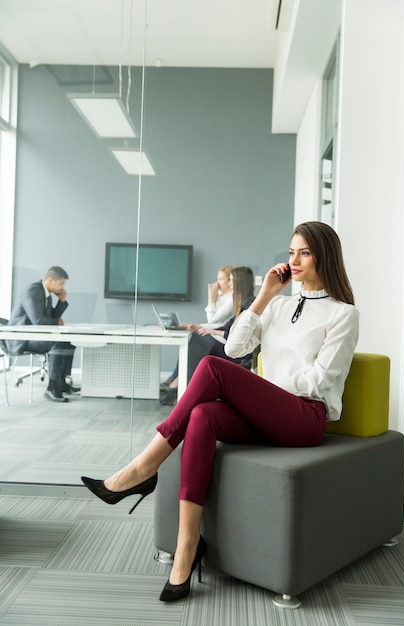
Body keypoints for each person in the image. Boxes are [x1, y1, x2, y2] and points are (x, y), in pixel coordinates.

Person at [81, 221, 359, 603]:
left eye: (304, 253)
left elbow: (320, 381)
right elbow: (235, 347)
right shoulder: (278, 304)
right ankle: (187, 547)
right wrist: (262, 298)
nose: (294, 260)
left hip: (304, 419)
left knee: (211, 370)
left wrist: (264, 393)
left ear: (323, 256)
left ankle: (143, 469)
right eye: (291, 251)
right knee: (202, 417)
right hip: (271, 414)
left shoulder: (343, 314)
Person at [161, 266, 254, 405]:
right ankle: (183, 388)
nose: (229, 284)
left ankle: (183, 389)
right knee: (197, 337)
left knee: (197, 340)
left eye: (231, 281)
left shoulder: (249, 303)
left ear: (240, 282)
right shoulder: (243, 302)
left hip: (236, 353)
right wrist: (200, 327)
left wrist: (213, 331)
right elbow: (227, 325)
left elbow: (235, 334)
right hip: (229, 345)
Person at [6, 266, 79, 403]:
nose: (62, 287)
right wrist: (56, 321)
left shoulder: (46, 294)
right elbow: (39, 321)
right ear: (50, 280)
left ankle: (60, 382)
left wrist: (61, 301)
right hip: (21, 339)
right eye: (61, 283)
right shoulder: (32, 291)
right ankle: (52, 387)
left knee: (69, 341)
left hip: (34, 336)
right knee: (57, 342)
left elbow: (52, 319)